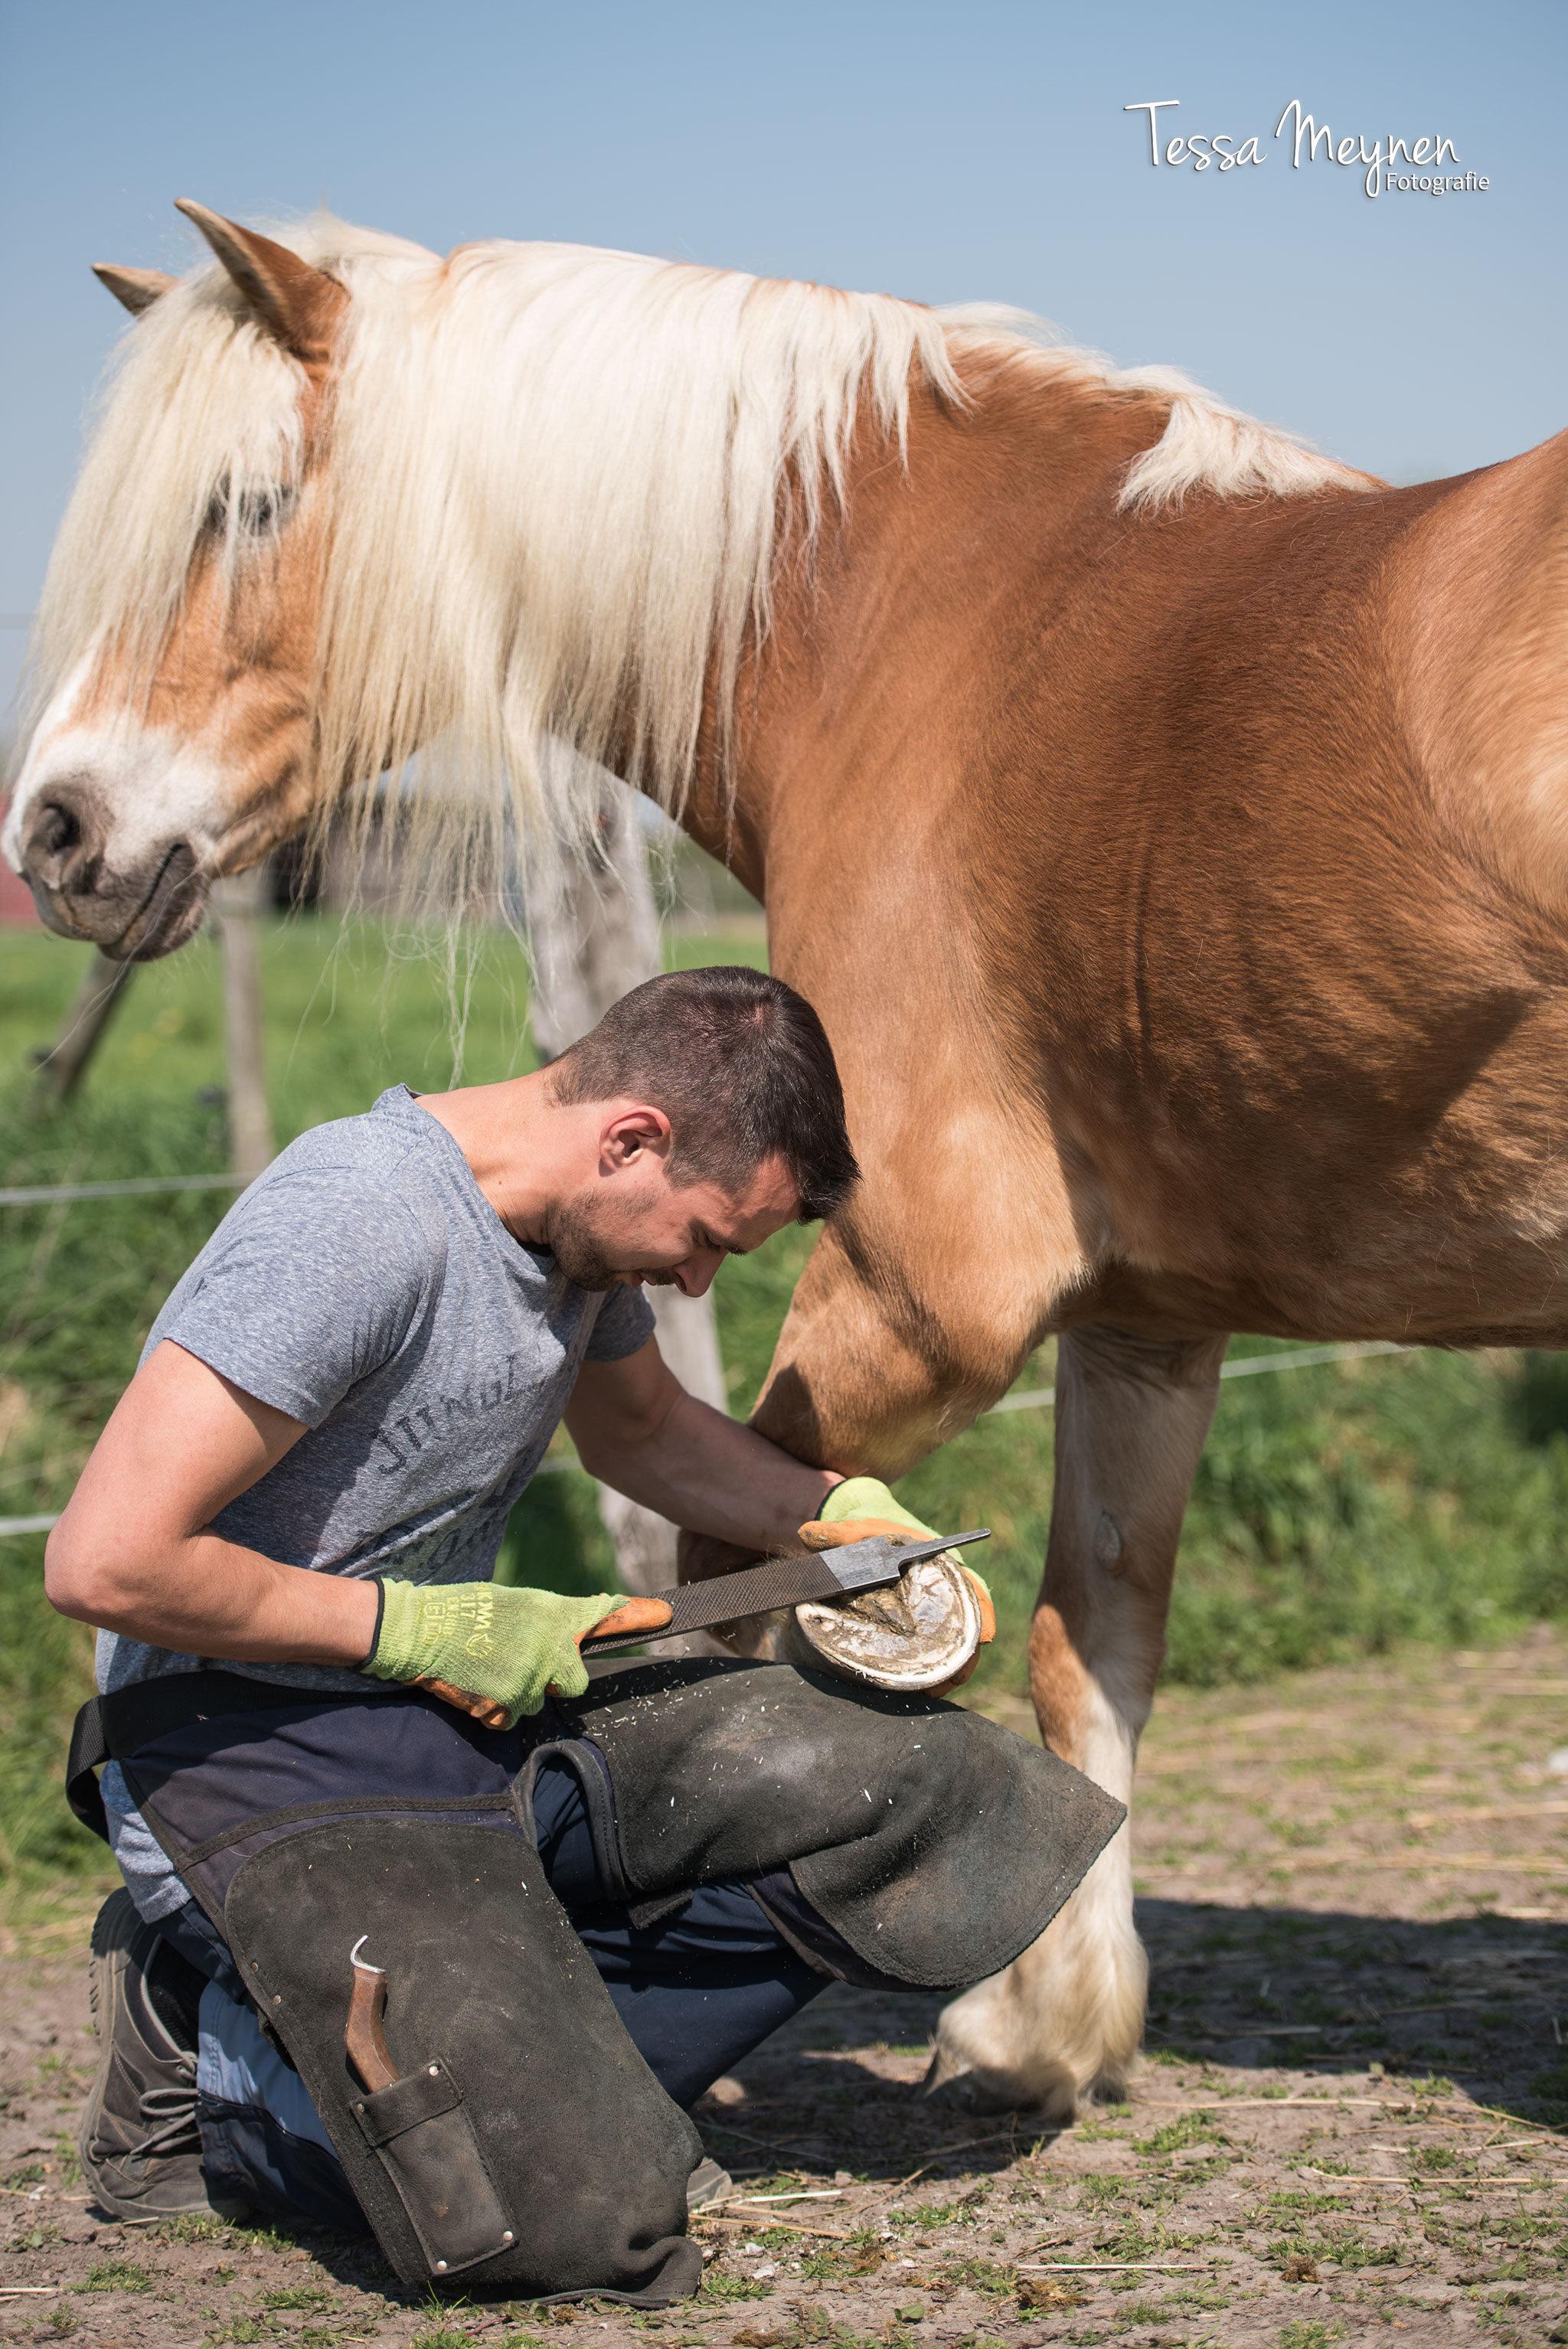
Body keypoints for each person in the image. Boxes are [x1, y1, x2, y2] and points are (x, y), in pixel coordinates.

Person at [50, 965, 1121, 2305]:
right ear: (631, 1138)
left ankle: (519, 2059)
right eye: (710, 1239)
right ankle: (211, 2068)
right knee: (578, 2218)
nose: (694, 1277)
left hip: (455, 1715)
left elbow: (643, 1433)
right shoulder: (356, 1224)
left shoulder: (576, 1228)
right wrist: (418, 1626)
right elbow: (105, 1560)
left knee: (948, 1796)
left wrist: (831, 1517)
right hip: (236, 1744)